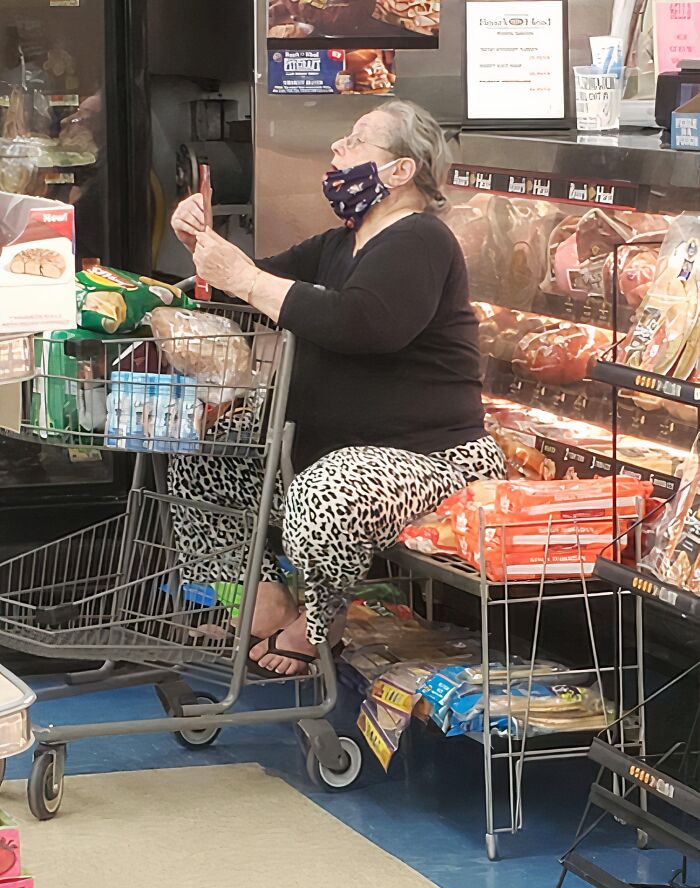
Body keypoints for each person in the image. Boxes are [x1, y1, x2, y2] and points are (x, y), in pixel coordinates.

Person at [170, 99, 505, 677]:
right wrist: (201, 253)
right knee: (202, 456)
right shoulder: (335, 245)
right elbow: (248, 289)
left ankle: (320, 623)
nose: (336, 151)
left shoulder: (420, 239)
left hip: (431, 459)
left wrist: (245, 277)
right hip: (322, 447)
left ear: (400, 171)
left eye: (354, 142)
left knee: (324, 496)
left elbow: (363, 323)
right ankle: (264, 600)